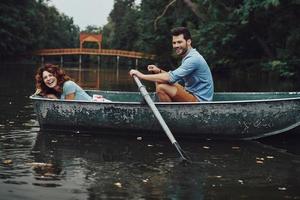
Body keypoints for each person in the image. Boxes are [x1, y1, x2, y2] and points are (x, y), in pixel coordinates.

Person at [129, 27, 214, 102]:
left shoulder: (193, 59)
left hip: (199, 101)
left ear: (188, 42)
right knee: (159, 81)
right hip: (190, 93)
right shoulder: (188, 56)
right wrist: (158, 71)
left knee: (161, 88)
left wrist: (142, 76)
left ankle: (169, 114)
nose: (176, 45)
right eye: (174, 43)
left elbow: (171, 78)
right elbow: (176, 79)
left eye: (179, 42)